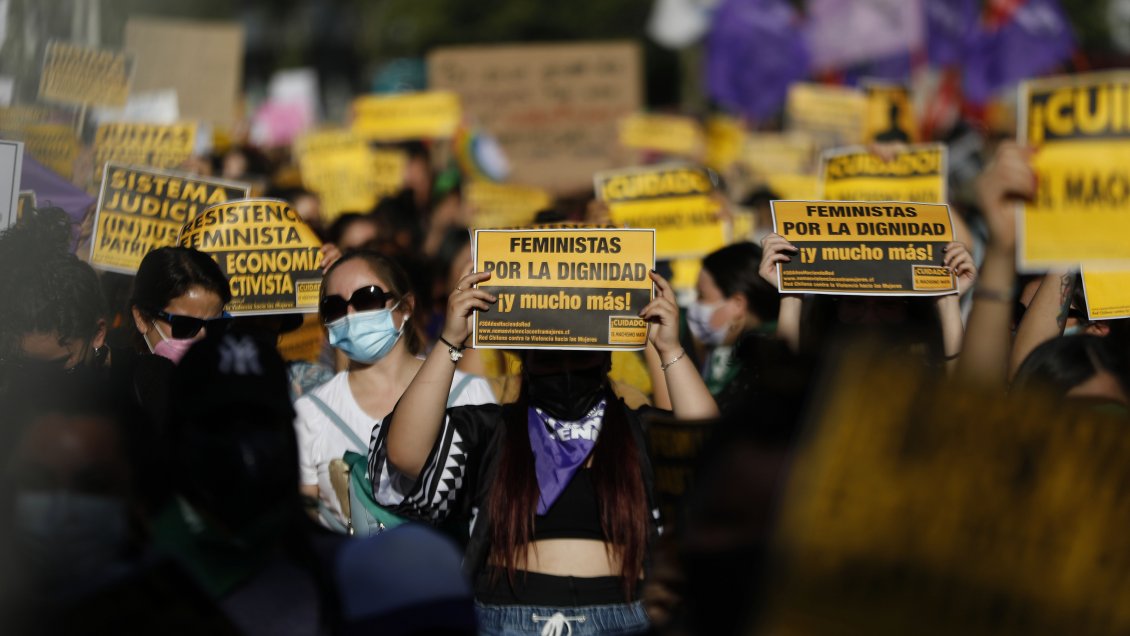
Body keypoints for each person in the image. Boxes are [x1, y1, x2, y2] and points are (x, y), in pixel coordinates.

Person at [374, 269, 719, 635]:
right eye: (550, 357)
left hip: (625, 618)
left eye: (580, 353)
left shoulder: (639, 430)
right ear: (526, 357)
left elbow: (710, 450)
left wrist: (670, 348)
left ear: (606, 357)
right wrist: (450, 341)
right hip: (510, 620)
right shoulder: (493, 430)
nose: (566, 366)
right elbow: (405, 453)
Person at [293, 250, 495, 530]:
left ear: (406, 307)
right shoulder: (309, 412)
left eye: (367, 299)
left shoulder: (470, 392)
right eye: (335, 307)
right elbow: (306, 524)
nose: (350, 315)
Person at [129, 246, 233, 366]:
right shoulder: (117, 380)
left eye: (216, 325)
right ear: (141, 318)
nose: (203, 337)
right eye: (186, 326)